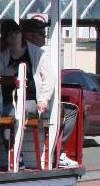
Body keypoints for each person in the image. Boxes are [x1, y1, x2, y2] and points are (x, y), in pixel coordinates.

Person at [21, 16, 79, 166]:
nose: (44, 37)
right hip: (31, 102)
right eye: (42, 33)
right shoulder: (39, 52)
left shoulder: (16, 50)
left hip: (26, 100)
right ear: (31, 35)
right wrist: (44, 99)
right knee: (71, 110)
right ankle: (58, 152)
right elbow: (50, 79)